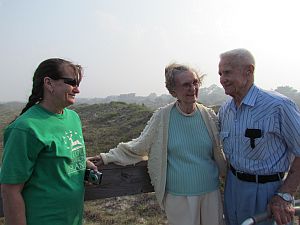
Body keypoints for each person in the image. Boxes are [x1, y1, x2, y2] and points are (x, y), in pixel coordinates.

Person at [88, 63, 226, 225]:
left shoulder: (208, 116)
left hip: (211, 192)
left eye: (195, 82)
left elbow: (224, 147)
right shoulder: (163, 116)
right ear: (173, 90)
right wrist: (106, 157)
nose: (192, 88)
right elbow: (139, 146)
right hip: (179, 197)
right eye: (186, 84)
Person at [0, 58, 96, 225]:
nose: (78, 90)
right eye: (72, 82)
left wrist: (81, 162)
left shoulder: (73, 118)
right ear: (49, 83)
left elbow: (55, 156)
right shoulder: (25, 128)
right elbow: (10, 190)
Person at [218, 48, 300, 225]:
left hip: (268, 192)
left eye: (227, 73)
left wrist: (285, 194)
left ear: (249, 71)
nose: (222, 79)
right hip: (233, 188)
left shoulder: (278, 106)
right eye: (220, 74)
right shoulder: (225, 110)